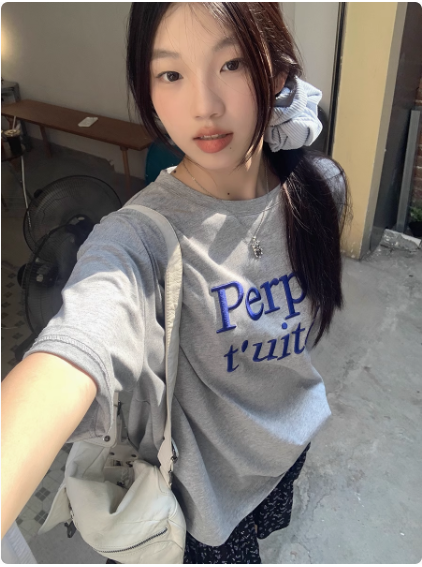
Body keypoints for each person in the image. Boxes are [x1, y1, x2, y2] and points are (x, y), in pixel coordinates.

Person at [2, 2, 350, 563]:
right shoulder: (139, 237)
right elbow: (73, 348)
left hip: (288, 446)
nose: (203, 106)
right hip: (202, 501)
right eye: (171, 74)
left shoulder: (318, 188)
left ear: (278, 72)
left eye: (232, 64)